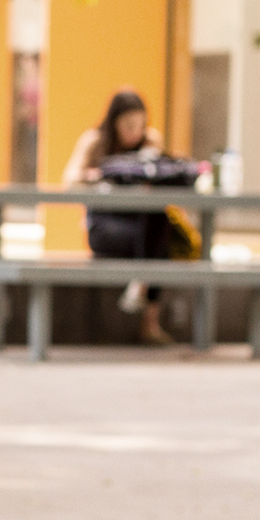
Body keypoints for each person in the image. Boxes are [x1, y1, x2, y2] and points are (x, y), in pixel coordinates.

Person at [62, 88, 172, 344]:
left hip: (139, 222)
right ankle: (149, 321)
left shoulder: (150, 141)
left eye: (141, 125)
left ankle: (141, 293)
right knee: (156, 245)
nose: (136, 131)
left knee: (158, 223)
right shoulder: (95, 141)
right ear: (114, 123)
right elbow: (69, 181)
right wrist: (100, 176)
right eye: (129, 125)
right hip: (104, 224)